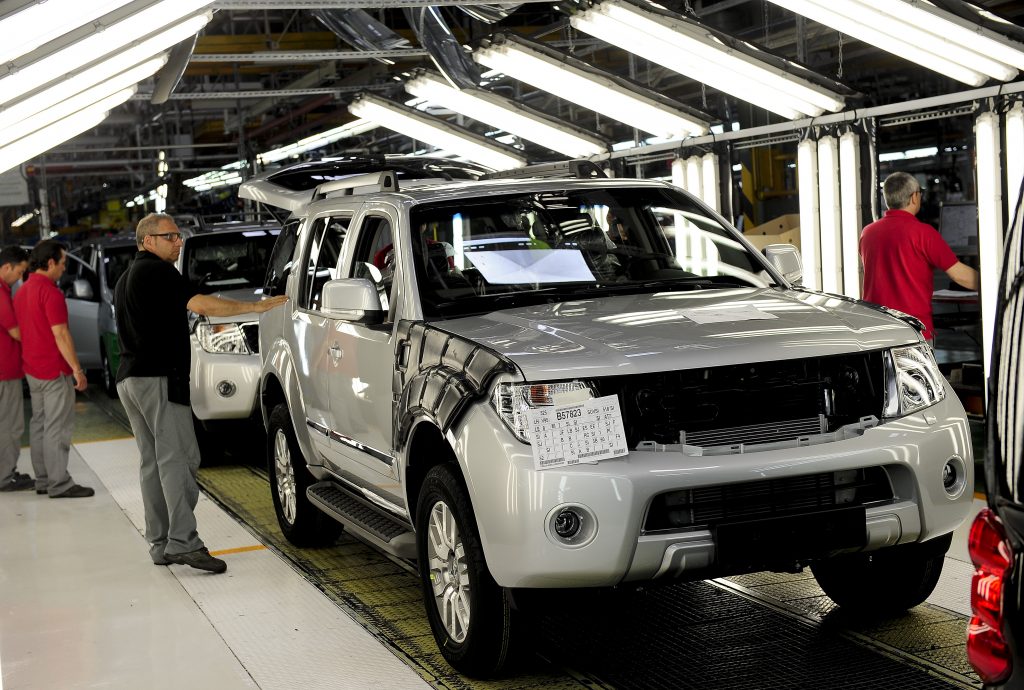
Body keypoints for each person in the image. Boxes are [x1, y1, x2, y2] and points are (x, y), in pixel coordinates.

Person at [115, 213, 289, 573]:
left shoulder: (125, 278)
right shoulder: (159, 272)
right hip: (159, 379)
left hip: (130, 380)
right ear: (147, 240)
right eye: (170, 237)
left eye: (179, 236)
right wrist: (256, 307)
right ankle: (184, 542)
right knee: (180, 459)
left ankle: (161, 543)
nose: (178, 242)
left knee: (153, 463)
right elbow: (201, 304)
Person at [12, 240, 93, 498]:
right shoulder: (50, 292)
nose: (63, 268)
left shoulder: (22, 292)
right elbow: (61, 334)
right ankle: (60, 483)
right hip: (53, 369)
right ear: (50, 263)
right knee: (57, 426)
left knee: (39, 424)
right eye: (62, 263)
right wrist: (77, 370)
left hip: (32, 369)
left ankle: (44, 480)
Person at [860, 172, 979, 342]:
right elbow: (960, 275)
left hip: (875, 331)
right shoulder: (923, 233)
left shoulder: (867, 233)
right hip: (913, 333)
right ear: (915, 197)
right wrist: (994, 286)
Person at [0, 246, 32, 492]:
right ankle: (4, 476)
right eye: (20, 271)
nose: (20, 277)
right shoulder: (0, 294)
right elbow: (16, 332)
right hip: (4, 371)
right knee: (10, 426)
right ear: (7, 267)